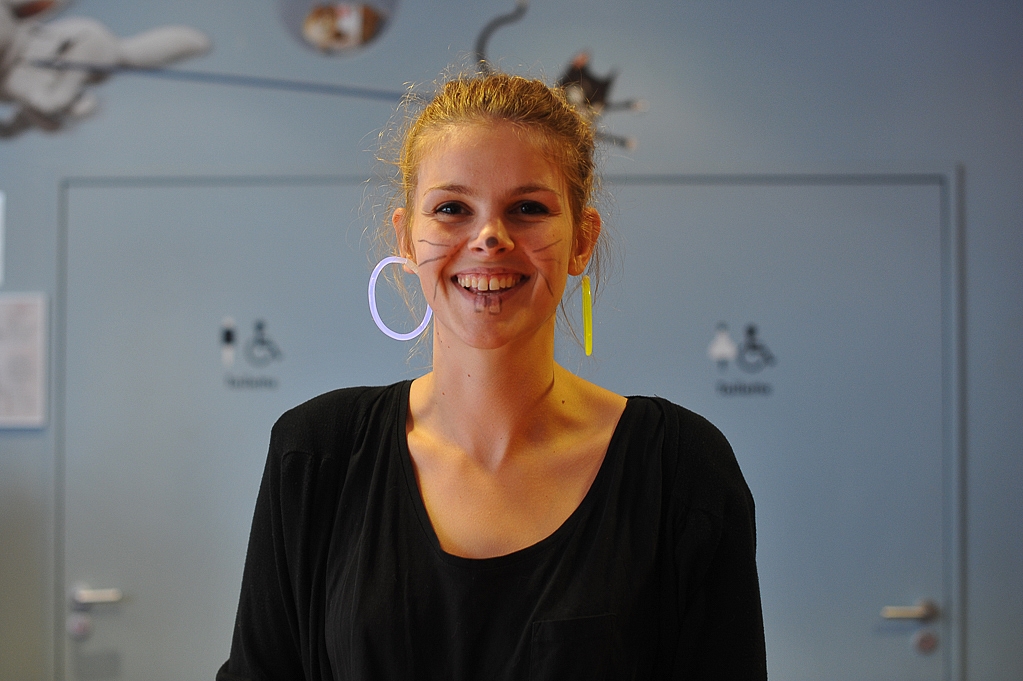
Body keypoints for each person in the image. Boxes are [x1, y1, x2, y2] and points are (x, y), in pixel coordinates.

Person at [217, 70, 767, 680]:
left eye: (528, 208)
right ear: (406, 238)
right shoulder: (317, 454)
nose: (489, 237)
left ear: (582, 241)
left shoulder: (681, 472)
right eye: (451, 208)